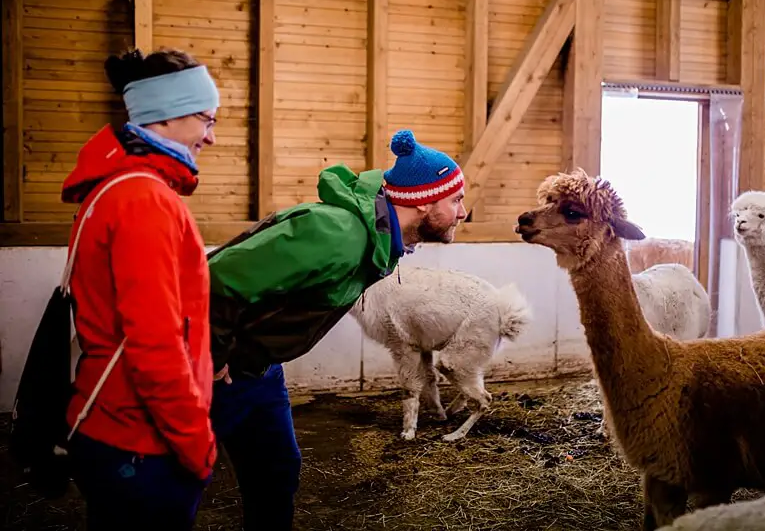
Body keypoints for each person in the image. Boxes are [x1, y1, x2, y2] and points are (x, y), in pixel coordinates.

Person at [205, 129, 467, 530]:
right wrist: (213, 355)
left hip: (261, 370)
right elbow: (217, 280)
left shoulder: (377, 240)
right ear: (424, 202)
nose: (463, 212)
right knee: (175, 486)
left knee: (276, 470)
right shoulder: (338, 233)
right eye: (456, 200)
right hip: (218, 375)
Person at [60, 47, 220, 530]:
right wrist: (198, 446)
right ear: (166, 116)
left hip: (115, 424)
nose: (210, 137)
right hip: (139, 440)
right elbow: (154, 343)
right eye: (205, 120)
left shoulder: (117, 188)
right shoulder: (144, 201)